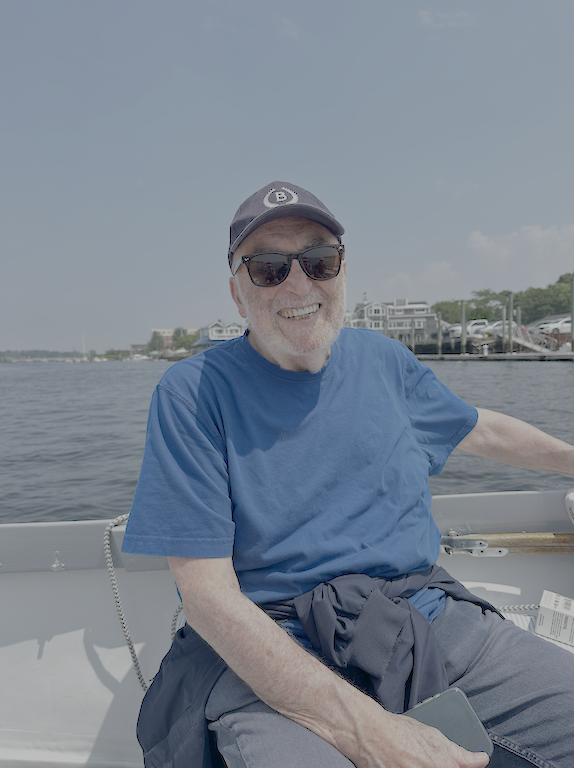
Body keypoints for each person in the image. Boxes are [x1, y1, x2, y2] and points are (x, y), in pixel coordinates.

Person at [122, 181, 574, 768]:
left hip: (422, 617)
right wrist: (367, 732)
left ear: (341, 272)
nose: (299, 284)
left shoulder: (384, 360)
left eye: (319, 261)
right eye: (268, 268)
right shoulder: (192, 393)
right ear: (237, 293)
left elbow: (479, 428)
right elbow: (208, 600)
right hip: (275, 647)